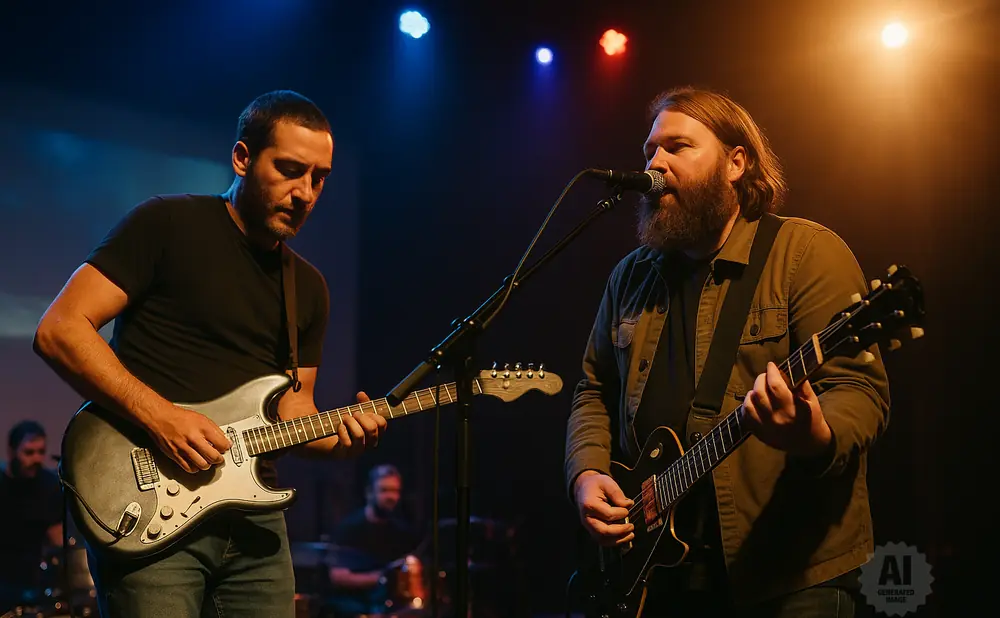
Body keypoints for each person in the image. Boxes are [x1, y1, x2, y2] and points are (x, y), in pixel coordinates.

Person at [32, 90, 387, 618]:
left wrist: (340, 442)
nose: (305, 193)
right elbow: (60, 330)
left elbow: (294, 410)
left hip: (254, 525)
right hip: (151, 510)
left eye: (320, 178)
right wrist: (163, 417)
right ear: (243, 158)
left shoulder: (308, 288)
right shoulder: (166, 226)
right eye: (290, 170)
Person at [565, 86, 890, 617]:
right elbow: (593, 388)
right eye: (650, 150)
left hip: (787, 578)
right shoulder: (631, 276)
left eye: (678, 146)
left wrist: (812, 434)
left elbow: (858, 389)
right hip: (657, 578)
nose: (656, 162)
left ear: (736, 162)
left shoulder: (805, 253)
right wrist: (587, 473)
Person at [325, 464, 422, 617]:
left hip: (389, 604)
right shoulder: (349, 528)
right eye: (384, 490)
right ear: (369, 493)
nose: (391, 497)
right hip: (355, 604)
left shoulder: (402, 531)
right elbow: (338, 576)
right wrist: (381, 578)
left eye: (395, 491)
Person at [0, 420, 63, 611]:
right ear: (12, 451)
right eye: (29, 452)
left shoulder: (49, 485)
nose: (36, 458)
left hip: (35, 581)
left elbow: (57, 540)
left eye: (41, 452)